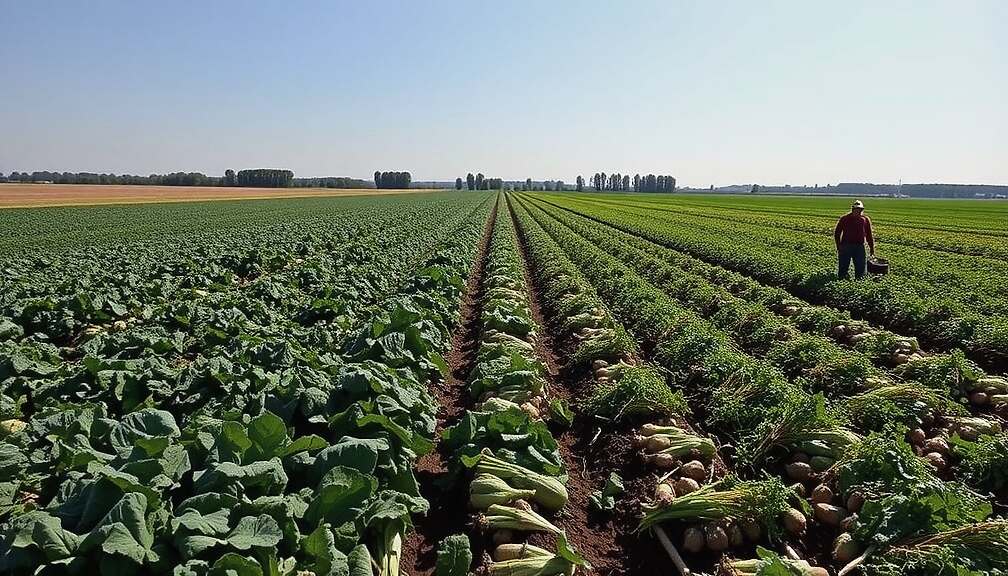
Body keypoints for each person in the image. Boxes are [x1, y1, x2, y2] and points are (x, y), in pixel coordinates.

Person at [834, 200, 875, 280]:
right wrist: (839, 246)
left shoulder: (865, 220)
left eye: (860, 210)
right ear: (852, 209)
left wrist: (872, 248)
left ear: (862, 210)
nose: (858, 211)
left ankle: (859, 283)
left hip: (859, 247)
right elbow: (837, 233)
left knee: (861, 268)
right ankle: (842, 282)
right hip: (846, 246)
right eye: (856, 209)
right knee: (843, 267)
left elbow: (869, 235)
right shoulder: (844, 219)